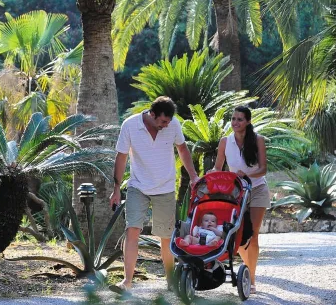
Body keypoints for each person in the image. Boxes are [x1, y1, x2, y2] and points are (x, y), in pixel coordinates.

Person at [109, 96, 200, 294]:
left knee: (166, 237)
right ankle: (127, 281)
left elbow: (182, 149)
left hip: (165, 187)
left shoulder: (173, 124)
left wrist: (193, 176)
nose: (166, 125)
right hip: (137, 187)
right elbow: (121, 156)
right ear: (152, 115)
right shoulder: (130, 125)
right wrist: (116, 189)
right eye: (163, 122)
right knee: (132, 230)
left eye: (168, 121)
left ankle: (170, 282)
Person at [212, 106, 268, 295]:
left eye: (240, 119)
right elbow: (218, 167)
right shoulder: (225, 142)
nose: (235, 123)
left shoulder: (258, 140)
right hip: (236, 193)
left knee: (253, 235)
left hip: (257, 189)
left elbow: (263, 169)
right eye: (233, 119)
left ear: (248, 122)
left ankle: (251, 279)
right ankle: (246, 271)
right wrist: (210, 177)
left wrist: (247, 174)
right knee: (240, 235)